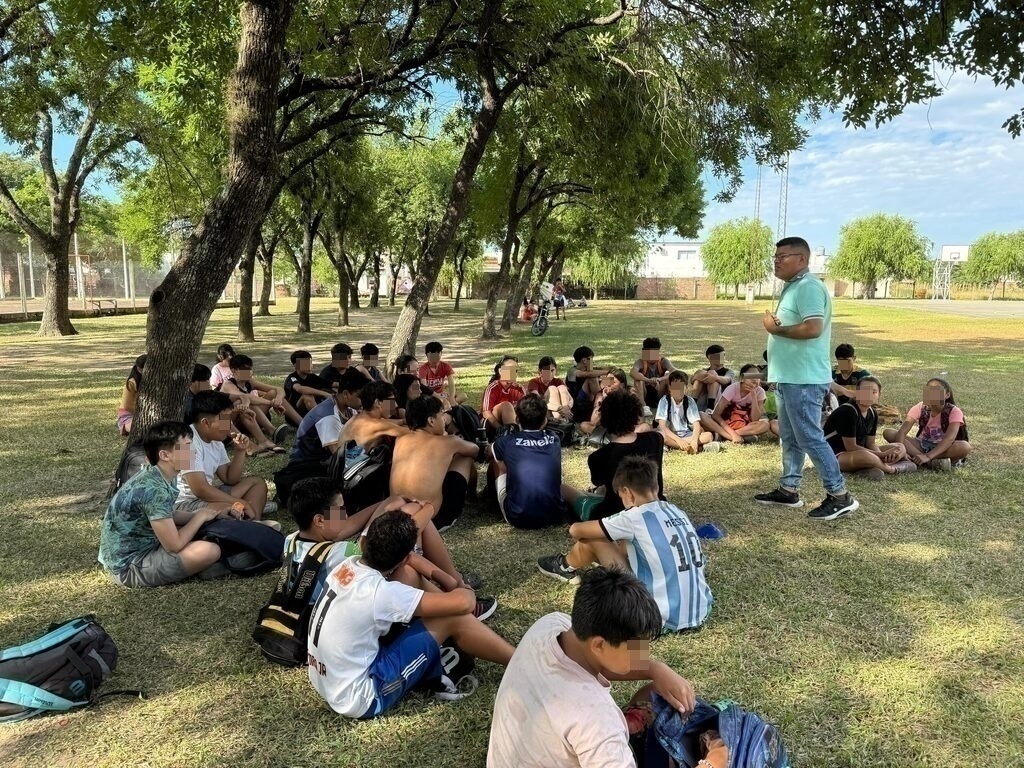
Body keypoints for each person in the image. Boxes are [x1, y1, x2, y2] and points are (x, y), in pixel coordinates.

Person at [307, 510, 515, 719]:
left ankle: (472, 635)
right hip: (363, 696)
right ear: (405, 557)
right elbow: (464, 604)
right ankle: (517, 660)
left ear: (363, 544)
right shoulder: (382, 594)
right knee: (452, 616)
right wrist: (462, 587)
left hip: (326, 679)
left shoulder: (347, 565)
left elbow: (409, 566)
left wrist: (447, 581)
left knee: (408, 576)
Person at [487, 567, 699, 768]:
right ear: (599, 644)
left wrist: (655, 668)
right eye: (636, 647)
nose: (643, 654)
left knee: (655, 691)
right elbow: (598, 725)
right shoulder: (597, 720)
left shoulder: (549, 626)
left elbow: (598, 661)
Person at [537, 457, 713, 631]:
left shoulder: (634, 517)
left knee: (594, 539)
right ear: (656, 486)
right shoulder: (676, 511)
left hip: (655, 617)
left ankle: (564, 566)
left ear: (627, 492)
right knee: (627, 543)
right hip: (700, 611)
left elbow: (576, 530)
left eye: (621, 496)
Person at [755, 236, 859, 521]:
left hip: (804, 378)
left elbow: (812, 328)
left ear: (802, 259)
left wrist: (776, 331)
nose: (776, 261)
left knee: (810, 436)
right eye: (775, 256)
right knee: (790, 436)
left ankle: (840, 496)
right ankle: (789, 489)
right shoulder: (792, 288)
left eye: (783, 256)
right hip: (790, 377)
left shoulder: (809, 287)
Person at [98, 420, 230, 587]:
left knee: (206, 531)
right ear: (165, 455)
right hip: (129, 566)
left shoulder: (162, 474)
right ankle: (208, 567)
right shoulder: (154, 490)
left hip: (146, 546)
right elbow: (174, 546)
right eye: (187, 446)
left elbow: (168, 513)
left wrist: (204, 515)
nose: (194, 451)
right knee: (209, 550)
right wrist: (200, 517)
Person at [173, 390, 273, 522]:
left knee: (257, 484)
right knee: (229, 507)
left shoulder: (217, 442)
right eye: (224, 420)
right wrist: (239, 502)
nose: (229, 426)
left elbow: (230, 479)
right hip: (185, 504)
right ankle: (250, 523)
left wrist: (240, 451)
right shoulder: (184, 443)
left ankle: (254, 523)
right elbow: (200, 489)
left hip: (206, 497)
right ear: (205, 423)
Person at [573, 389, 666, 521]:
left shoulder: (599, 456)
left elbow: (598, 481)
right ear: (636, 414)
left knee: (571, 493)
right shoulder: (655, 439)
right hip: (655, 509)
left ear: (604, 418)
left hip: (615, 515)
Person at [391, 395, 480, 531]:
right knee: (464, 457)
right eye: (441, 415)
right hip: (432, 519)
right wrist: (449, 438)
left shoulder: (400, 438)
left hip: (395, 512)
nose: (444, 420)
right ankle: (472, 496)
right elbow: (475, 450)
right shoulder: (449, 442)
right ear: (431, 420)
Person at [490, 393, 579, 529]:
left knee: (496, 461)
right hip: (555, 514)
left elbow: (490, 452)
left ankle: (488, 497)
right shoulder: (554, 438)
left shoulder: (506, 442)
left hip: (518, 516)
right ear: (544, 420)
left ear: (517, 419)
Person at [823, 376, 916, 479]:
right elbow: (851, 447)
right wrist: (881, 455)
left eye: (873, 392)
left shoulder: (872, 413)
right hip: (835, 455)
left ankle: (867, 469)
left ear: (879, 395)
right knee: (866, 456)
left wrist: (883, 455)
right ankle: (892, 469)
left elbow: (870, 443)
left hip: (859, 452)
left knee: (899, 446)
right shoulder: (848, 411)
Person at [882, 377, 972, 471]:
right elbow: (902, 432)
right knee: (889, 433)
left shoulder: (954, 411)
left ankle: (926, 460)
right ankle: (929, 462)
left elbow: (949, 439)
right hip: (921, 445)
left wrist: (928, 456)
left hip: (944, 448)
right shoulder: (920, 407)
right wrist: (902, 450)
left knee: (965, 447)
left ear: (947, 395)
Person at [290, 368, 368, 464]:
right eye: (361, 397)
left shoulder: (349, 408)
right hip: (307, 464)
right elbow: (339, 457)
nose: (365, 401)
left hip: (324, 458)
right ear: (346, 394)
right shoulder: (328, 416)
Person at [221, 353, 304, 431]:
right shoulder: (228, 384)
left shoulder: (249, 382)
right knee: (245, 402)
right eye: (245, 369)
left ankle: (303, 424)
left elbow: (279, 390)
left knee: (273, 393)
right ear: (234, 371)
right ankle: (272, 431)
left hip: (249, 418)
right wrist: (271, 403)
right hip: (229, 423)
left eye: (250, 369)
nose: (249, 372)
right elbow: (247, 397)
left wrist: (277, 401)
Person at [699, 364, 776, 444]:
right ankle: (731, 437)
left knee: (765, 425)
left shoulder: (760, 392)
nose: (755, 380)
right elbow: (716, 414)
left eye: (757, 377)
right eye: (751, 376)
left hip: (744, 424)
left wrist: (754, 397)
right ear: (742, 379)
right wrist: (732, 433)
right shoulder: (732, 389)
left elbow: (755, 419)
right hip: (726, 421)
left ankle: (725, 436)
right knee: (702, 415)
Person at [654, 370, 719, 453]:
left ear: (686, 388)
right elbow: (662, 426)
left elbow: (696, 424)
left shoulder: (690, 401)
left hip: (686, 433)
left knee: (708, 435)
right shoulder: (664, 401)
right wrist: (678, 440)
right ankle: (696, 446)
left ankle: (678, 446)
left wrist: (694, 440)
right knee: (661, 436)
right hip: (670, 434)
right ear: (670, 388)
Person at [482, 356, 526, 437]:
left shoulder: (519, 389)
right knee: (506, 405)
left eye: (515, 370)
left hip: (517, 424)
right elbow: (486, 412)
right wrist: (500, 428)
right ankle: (510, 435)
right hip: (494, 425)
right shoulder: (492, 388)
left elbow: (526, 411)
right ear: (500, 371)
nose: (513, 373)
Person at [631, 337, 676, 415]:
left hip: (659, 391)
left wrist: (659, 379)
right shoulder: (641, 362)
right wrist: (648, 380)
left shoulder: (663, 361)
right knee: (638, 378)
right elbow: (633, 372)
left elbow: (675, 371)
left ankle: (677, 404)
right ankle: (644, 406)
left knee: (674, 378)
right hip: (645, 393)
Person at [283, 350, 333, 416]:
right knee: (307, 396)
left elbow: (330, 385)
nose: (310, 366)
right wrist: (324, 394)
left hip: (311, 411)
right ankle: (322, 421)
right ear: (296, 365)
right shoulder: (292, 377)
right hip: (296, 413)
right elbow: (299, 389)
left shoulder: (312, 377)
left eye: (310, 363)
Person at [566, 345, 608, 423]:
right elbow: (586, 375)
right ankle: (603, 402)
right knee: (592, 378)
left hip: (588, 397)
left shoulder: (589, 370)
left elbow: (592, 373)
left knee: (608, 380)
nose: (593, 362)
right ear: (584, 360)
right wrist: (606, 372)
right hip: (577, 399)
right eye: (591, 359)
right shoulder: (572, 371)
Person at [527, 356, 574, 422]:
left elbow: (570, 399)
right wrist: (558, 408)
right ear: (540, 371)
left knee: (562, 388)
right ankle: (561, 420)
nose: (550, 374)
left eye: (552, 370)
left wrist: (567, 407)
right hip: (543, 410)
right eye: (547, 371)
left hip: (561, 411)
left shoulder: (558, 381)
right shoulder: (534, 382)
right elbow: (537, 401)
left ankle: (563, 420)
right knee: (552, 388)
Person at [690, 344, 735, 412]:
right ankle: (692, 406)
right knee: (700, 374)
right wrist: (697, 376)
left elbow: (727, 379)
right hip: (702, 400)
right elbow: (692, 381)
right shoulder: (703, 371)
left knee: (713, 377)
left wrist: (714, 377)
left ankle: (710, 408)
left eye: (724, 355)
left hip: (720, 402)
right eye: (719, 356)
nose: (723, 358)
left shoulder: (728, 372)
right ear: (710, 357)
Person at [117, 354, 146, 436]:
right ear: (139, 369)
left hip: (140, 414)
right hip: (127, 413)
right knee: (136, 427)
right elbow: (126, 406)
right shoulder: (132, 382)